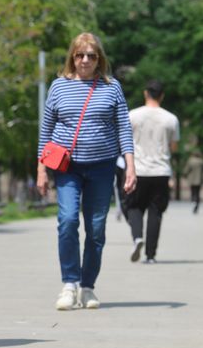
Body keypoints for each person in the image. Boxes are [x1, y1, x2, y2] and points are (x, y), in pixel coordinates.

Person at [36, 32, 136, 311]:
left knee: (95, 228)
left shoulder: (111, 87)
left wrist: (130, 166)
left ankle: (88, 286)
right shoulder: (58, 87)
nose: (85, 60)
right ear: (72, 57)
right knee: (67, 220)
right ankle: (69, 283)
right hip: (67, 168)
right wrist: (41, 171)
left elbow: (124, 129)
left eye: (91, 56)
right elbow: (45, 132)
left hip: (102, 167)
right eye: (80, 55)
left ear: (99, 59)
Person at [126, 80, 180, 264]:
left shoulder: (132, 115)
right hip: (161, 170)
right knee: (155, 212)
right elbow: (174, 146)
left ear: (145, 93)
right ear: (162, 95)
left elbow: (124, 142)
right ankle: (150, 255)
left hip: (138, 170)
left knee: (133, 207)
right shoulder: (171, 119)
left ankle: (136, 238)